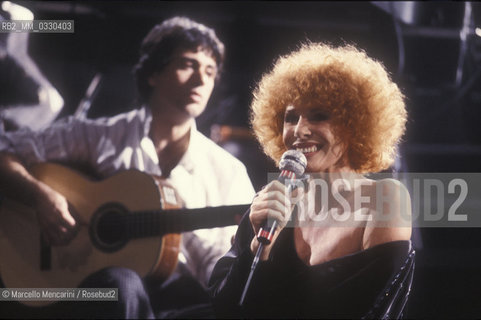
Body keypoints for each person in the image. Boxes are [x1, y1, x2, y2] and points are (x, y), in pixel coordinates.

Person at [0, 16, 255, 318]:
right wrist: (40, 196)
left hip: (182, 300)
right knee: (122, 283)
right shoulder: (100, 136)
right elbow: (5, 148)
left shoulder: (228, 170)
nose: (201, 80)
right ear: (153, 73)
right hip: (102, 294)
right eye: (188, 65)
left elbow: (223, 268)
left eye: (210, 72)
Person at [208, 42, 414, 318]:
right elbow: (225, 310)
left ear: (354, 125)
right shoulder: (271, 202)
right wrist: (258, 246)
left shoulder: (385, 198)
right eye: (290, 117)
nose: (300, 130)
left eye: (319, 116)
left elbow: (371, 310)